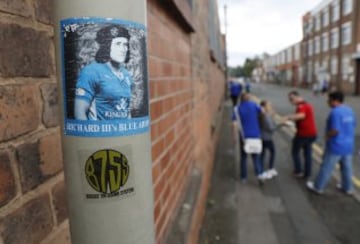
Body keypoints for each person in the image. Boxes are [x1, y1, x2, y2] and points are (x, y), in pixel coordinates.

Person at [74, 24, 134, 120]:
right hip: (101, 133)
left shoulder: (127, 75)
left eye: (125, 44)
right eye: (118, 44)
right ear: (107, 46)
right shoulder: (91, 72)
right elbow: (79, 113)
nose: (123, 49)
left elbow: (127, 111)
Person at [307, 91, 356, 195]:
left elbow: (335, 130)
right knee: (346, 168)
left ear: (335, 101)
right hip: (348, 145)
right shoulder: (350, 110)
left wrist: (327, 136)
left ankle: (318, 187)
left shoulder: (335, 112)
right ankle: (347, 188)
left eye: (329, 100)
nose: (327, 102)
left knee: (326, 167)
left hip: (336, 145)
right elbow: (353, 125)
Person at [232, 93, 267, 183]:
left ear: (241, 99)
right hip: (256, 135)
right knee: (256, 157)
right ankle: (259, 175)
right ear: (249, 99)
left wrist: (234, 137)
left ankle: (244, 178)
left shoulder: (236, 109)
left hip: (244, 136)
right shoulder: (254, 105)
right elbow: (263, 112)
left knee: (243, 157)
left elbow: (234, 124)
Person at [285, 91, 317, 179]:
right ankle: (307, 173)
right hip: (312, 133)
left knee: (295, 152)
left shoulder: (301, 106)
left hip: (303, 134)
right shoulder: (307, 105)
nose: (290, 101)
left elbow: (301, 115)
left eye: (291, 99)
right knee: (307, 153)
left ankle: (298, 171)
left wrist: (288, 117)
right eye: (289, 99)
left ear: (297, 97)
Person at [259, 100, 285, 179]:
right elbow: (271, 128)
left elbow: (269, 124)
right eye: (269, 105)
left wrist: (272, 116)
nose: (270, 107)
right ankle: (270, 168)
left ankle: (261, 169)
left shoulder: (263, 114)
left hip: (263, 137)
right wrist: (281, 124)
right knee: (272, 152)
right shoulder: (265, 116)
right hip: (267, 138)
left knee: (262, 154)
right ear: (264, 107)